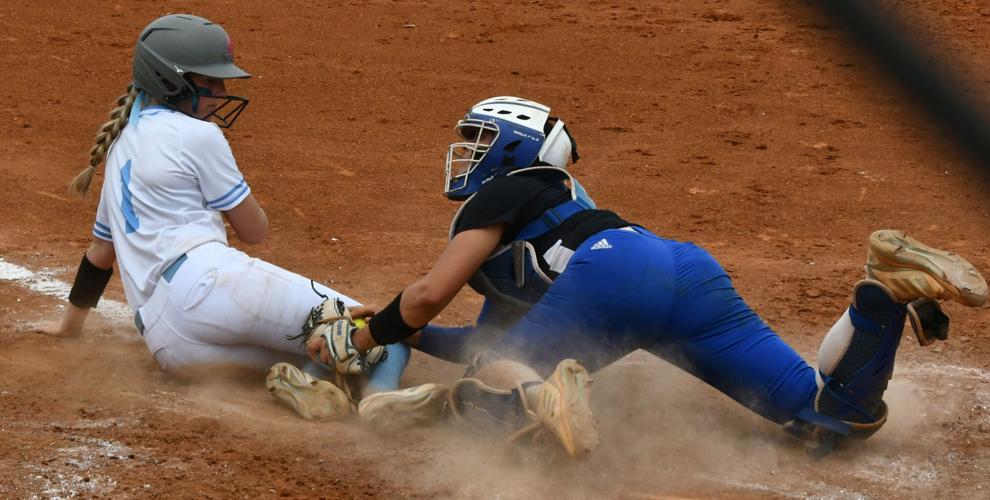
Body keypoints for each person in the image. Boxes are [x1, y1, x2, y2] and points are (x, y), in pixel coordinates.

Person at [302, 96, 987, 458]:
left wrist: (369, 335)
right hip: (682, 270)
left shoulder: (509, 190)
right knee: (834, 420)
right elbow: (477, 342)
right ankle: (883, 295)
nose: (470, 153)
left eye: (481, 139)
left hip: (612, 280)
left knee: (490, 405)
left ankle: (546, 395)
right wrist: (405, 336)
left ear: (513, 145)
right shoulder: (568, 207)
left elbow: (427, 295)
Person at [33, 13, 406, 422]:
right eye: (210, 82)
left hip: (170, 346)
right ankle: (378, 405)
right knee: (381, 331)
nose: (223, 92)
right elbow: (254, 231)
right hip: (210, 288)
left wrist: (70, 326)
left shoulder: (121, 143)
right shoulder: (199, 135)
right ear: (171, 80)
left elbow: (100, 253)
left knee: (313, 351)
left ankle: (317, 383)